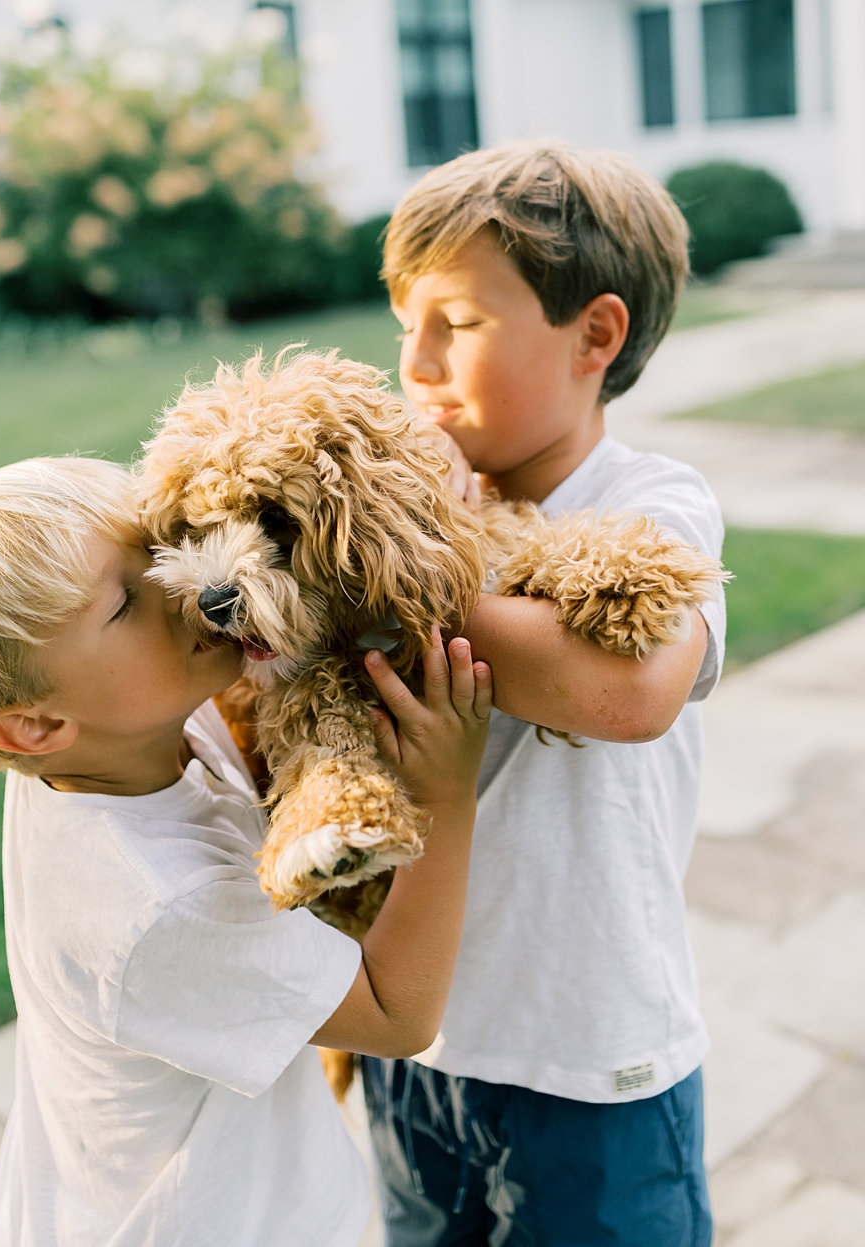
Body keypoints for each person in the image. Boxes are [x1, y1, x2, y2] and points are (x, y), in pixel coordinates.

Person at [0, 456, 492, 1246]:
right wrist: (445, 794)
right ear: (37, 725)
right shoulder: (155, 903)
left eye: (161, 545)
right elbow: (398, 1013)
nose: (188, 584)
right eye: (127, 602)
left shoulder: (118, 736)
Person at [371, 140, 726, 1242]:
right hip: (415, 1043)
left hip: (592, 1064)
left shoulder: (652, 504)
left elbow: (627, 689)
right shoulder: (410, 513)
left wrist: (385, 566)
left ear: (594, 336)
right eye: (404, 323)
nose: (416, 361)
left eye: (457, 322)